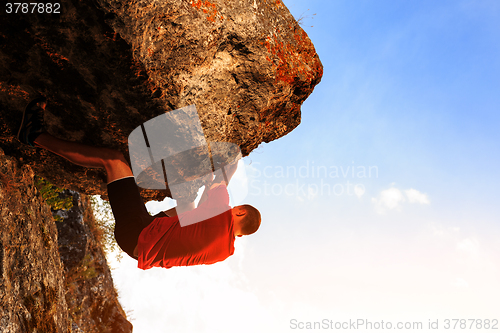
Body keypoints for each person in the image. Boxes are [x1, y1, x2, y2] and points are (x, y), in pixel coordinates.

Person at [17, 96, 261, 270]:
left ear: (239, 212)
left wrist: (235, 150)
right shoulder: (222, 251)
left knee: (113, 160)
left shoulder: (222, 215)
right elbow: (195, 221)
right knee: (188, 205)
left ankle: (34, 136)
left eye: (233, 209)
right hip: (144, 245)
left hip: (138, 234)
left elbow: (224, 176)